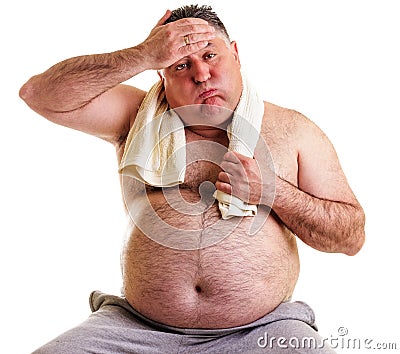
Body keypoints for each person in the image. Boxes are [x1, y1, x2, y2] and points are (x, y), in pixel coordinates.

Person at [20, 4, 365, 353]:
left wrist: (273, 192)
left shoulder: (293, 130)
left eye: (211, 55)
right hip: (135, 331)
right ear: (161, 73)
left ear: (236, 54)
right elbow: (39, 95)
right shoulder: (134, 117)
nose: (201, 74)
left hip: (263, 332)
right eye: (181, 64)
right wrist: (142, 54)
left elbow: (350, 235)